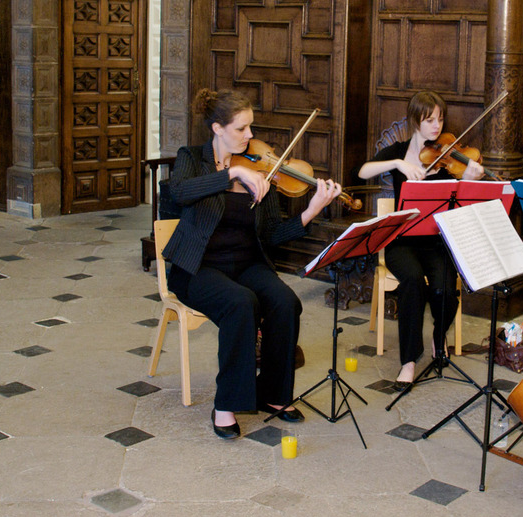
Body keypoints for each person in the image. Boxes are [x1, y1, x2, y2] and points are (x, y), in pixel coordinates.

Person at [163, 89, 341, 439]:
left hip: (246, 264)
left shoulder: (262, 169)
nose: (250, 136)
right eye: (242, 129)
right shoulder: (193, 159)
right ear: (217, 128)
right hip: (197, 267)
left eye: (251, 128)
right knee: (240, 303)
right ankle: (226, 404)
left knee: (285, 302)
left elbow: (273, 233)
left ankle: (273, 394)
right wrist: (231, 175)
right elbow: (178, 192)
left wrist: (313, 209)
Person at [357, 90, 484, 390]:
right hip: (402, 237)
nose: (436, 127)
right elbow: (362, 171)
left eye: (440, 119)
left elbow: (461, 197)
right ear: (415, 121)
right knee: (412, 281)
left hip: (436, 238)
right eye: (429, 120)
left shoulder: (447, 157)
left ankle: (438, 337)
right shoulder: (398, 151)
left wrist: (469, 179)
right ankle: (409, 360)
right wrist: (396, 165)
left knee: (444, 289)